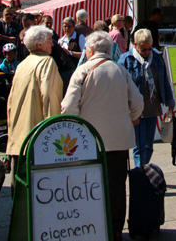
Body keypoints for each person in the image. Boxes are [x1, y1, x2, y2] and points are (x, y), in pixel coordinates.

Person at [61, 31, 143, 241]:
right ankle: (116, 228)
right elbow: (138, 103)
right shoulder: (120, 70)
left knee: (89, 186)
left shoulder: (82, 71)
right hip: (118, 140)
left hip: (89, 141)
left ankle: (93, 225)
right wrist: (133, 117)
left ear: (89, 50)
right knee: (117, 186)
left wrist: (74, 127)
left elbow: (68, 107)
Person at [118, 28, 175, 167]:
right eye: (143, 50)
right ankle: (140, 172)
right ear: (136, 45)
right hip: (135, 109)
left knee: (148, 145)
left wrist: (170, 101)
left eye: (149, 48)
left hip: (152, 107)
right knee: (138, 146)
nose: (147, 53)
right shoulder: (125, 60)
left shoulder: (157, 57)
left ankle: (144, 168)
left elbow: (164, 79)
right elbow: (120, 87)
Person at [6, 26, 63, 165]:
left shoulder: (22, 64)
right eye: (49, 40)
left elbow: (10, 101)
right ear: (39, 44)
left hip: (18, 137)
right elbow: (50, 96)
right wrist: (53, 130)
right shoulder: (46, 62)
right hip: (37, 137)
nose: (52, 43)